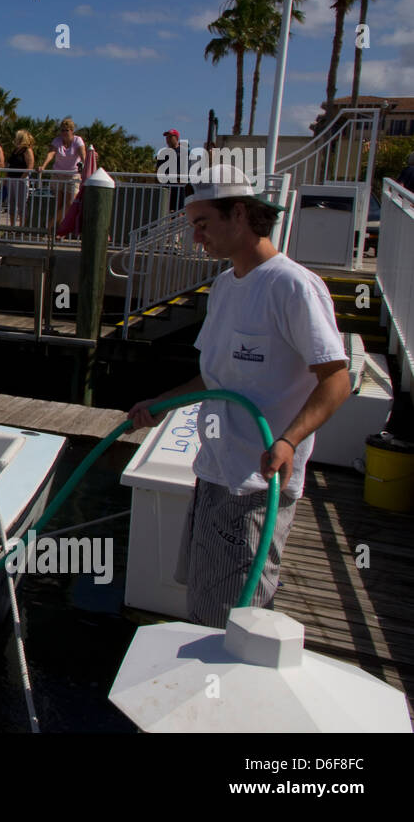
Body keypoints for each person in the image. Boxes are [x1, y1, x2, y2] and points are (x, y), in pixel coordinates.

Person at [127, 165, 349, 629]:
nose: (195, 238)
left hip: (256, 484)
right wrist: (158, 403)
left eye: (203, 223)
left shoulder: (292, 286)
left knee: (237, 616)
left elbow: (336, 379)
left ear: (241, 213)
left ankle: (226, 695)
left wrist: (287, 441)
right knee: (206, 604)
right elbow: (214, 379)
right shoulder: (226, 286)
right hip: (212, 473)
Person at [41, 117, 86, 233]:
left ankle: (50, 225)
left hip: (73, 175)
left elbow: (83, 155)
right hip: (58, 174)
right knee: (59, 204)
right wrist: (43, 166)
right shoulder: (57, 140)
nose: (63, 133)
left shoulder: (78, 140)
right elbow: (51, 154)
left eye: (66, 130)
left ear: (72, 130)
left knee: (70, 203)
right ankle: (58, 230)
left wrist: (86, 166)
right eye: (62, 130)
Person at [7, 129, 36, 227]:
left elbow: (30, 166)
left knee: (21, 204)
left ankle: (22, 226)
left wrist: (21, 178)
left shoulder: (27, 150)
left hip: (21, 180)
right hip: (12, 179)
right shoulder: (15, 150)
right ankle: (12, 226)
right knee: (11, 204)